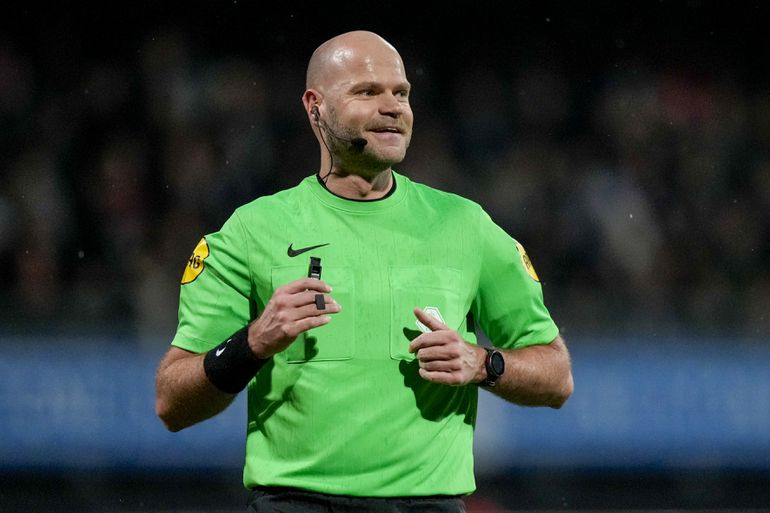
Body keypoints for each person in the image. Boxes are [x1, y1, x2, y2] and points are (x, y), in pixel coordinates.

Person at [155, 30, 573, 513]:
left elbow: (557, 376)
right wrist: (253, 343)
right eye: (367, 91)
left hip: (427, 506)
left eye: (401, 93)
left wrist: (484, 364)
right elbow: (173, 401)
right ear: (315, 106)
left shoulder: (466, 226)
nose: (393, 106)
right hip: (296, 504)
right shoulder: (251, 231)